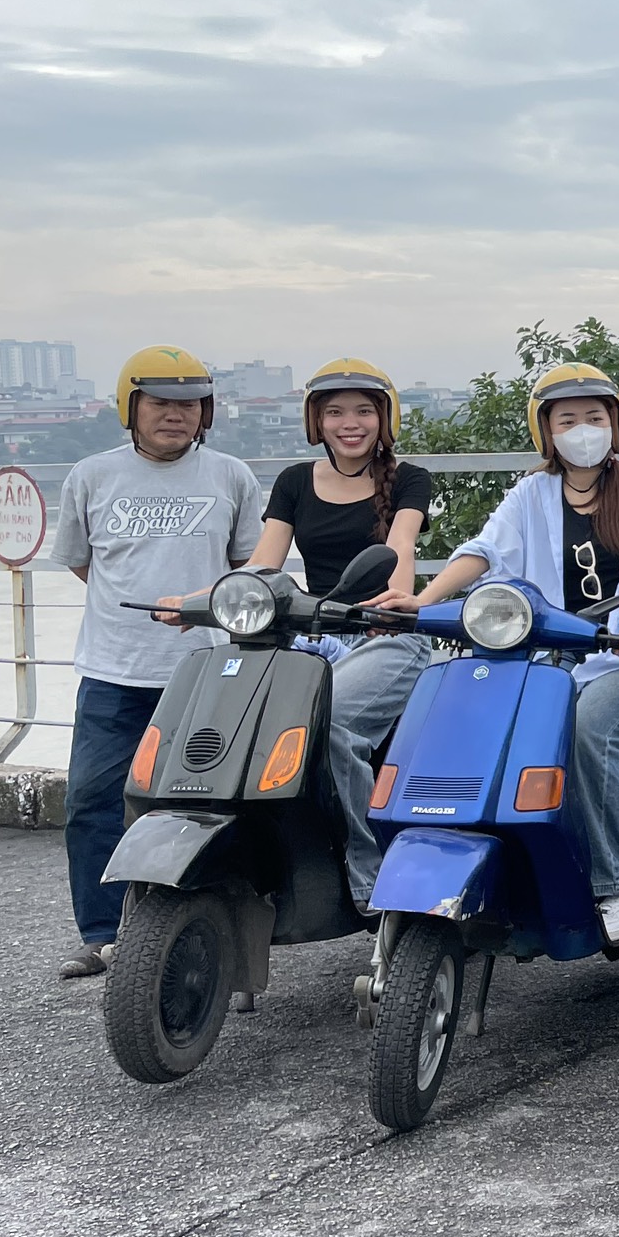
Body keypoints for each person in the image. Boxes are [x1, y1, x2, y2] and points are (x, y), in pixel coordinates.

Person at [405, 364, 619, 944]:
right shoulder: (531, 492)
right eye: (568, 419)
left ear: (615, 424)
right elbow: (483, 550)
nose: (583, 429)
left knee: (590, 731)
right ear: (546, 430)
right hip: (546, 663)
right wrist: (419, 601)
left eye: (595, 417)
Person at [47, 346, 263, 978]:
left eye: (189, 403)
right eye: (161, 402)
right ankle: (101, 932)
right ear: (130, 406)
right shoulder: (91, 476)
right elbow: (84, 564)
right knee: (93, 799)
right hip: (113, 670)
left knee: (208, 802)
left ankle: (196, 923)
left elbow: (248, 563)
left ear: (207, 412)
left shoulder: (230, 475)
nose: (176, 414)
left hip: (205, 669)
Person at [244, 360, 435, 911]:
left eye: (363, 411)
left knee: (328, 728)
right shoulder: (294, 482)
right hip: (315, 638)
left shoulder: (408, 479)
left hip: (387, 637)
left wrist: (391, 604)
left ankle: (367, 872)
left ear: (384, 418)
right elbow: (265, 564)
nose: (349, 423)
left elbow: (400, 548)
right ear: (316, 421)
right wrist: (205, 600)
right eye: (334, 412)